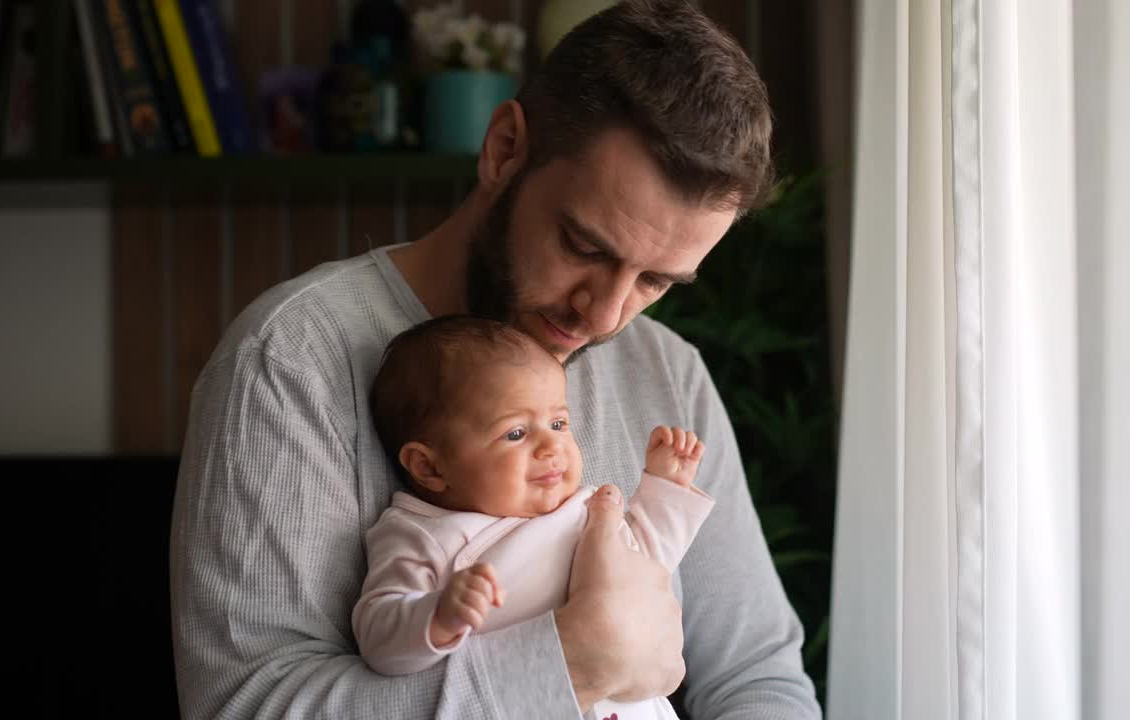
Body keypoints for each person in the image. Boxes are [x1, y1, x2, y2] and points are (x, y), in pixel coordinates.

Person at [169, 0, 823, 717]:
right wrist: (569, 666)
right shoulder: (290, 359)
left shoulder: (669, 373)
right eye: (584, 247)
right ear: (504, 149)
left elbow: (758, 680)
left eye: (655, 281)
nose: (605, 316)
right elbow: (246, 704)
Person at [354, 315, 714, 720]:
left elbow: (647, 565)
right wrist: (436, 616)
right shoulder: (423, 534)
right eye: (515, 433)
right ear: (429, 468)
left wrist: (666, 488)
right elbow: (378, 636)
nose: (552, 446)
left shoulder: (587, 509)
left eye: (558, 423)